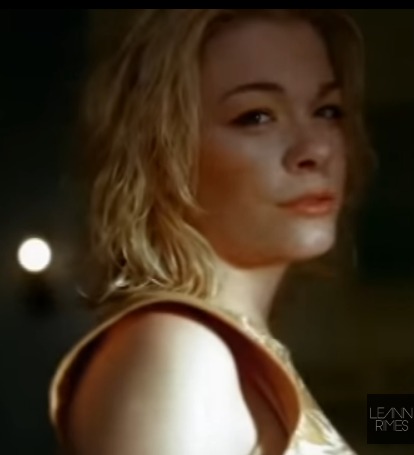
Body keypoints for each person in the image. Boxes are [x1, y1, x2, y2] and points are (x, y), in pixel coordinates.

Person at [49, 9, 371, 454]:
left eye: (327, 111)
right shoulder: (181, 352)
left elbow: (382, 418)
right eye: (256, 117)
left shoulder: (226, 349)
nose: (315, 148)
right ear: (163, 151)